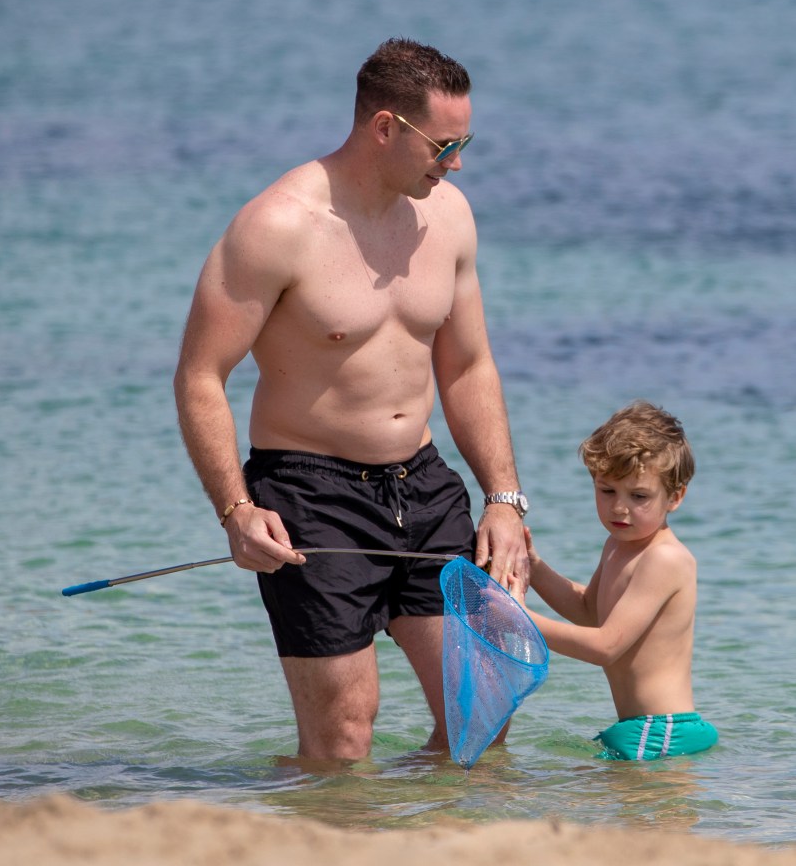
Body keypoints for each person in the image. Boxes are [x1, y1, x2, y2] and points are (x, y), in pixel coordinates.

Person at [173, 38, 530, 762]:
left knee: (482, 721)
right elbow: (199, 375)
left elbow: (467, 366)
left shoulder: (448, 218)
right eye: (444, 142)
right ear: (384, 128)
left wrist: (504, 497)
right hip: (311, 493)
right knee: (342, 738)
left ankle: (432, 857)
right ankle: (317, 859)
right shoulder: (277, 227)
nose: (456, 161)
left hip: (424, 487)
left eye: (466, 141)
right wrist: (236, 510)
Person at [509, 401, 718, 761]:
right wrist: (535, 566)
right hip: (644, 728)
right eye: (608, 491)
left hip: (662, 729)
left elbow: (605, 646)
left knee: (572, 798)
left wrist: (519, 620)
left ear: (676, 496)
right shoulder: (618, 545)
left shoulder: (664, 558)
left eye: (638, 496)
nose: (620, 508)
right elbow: (590, 610)